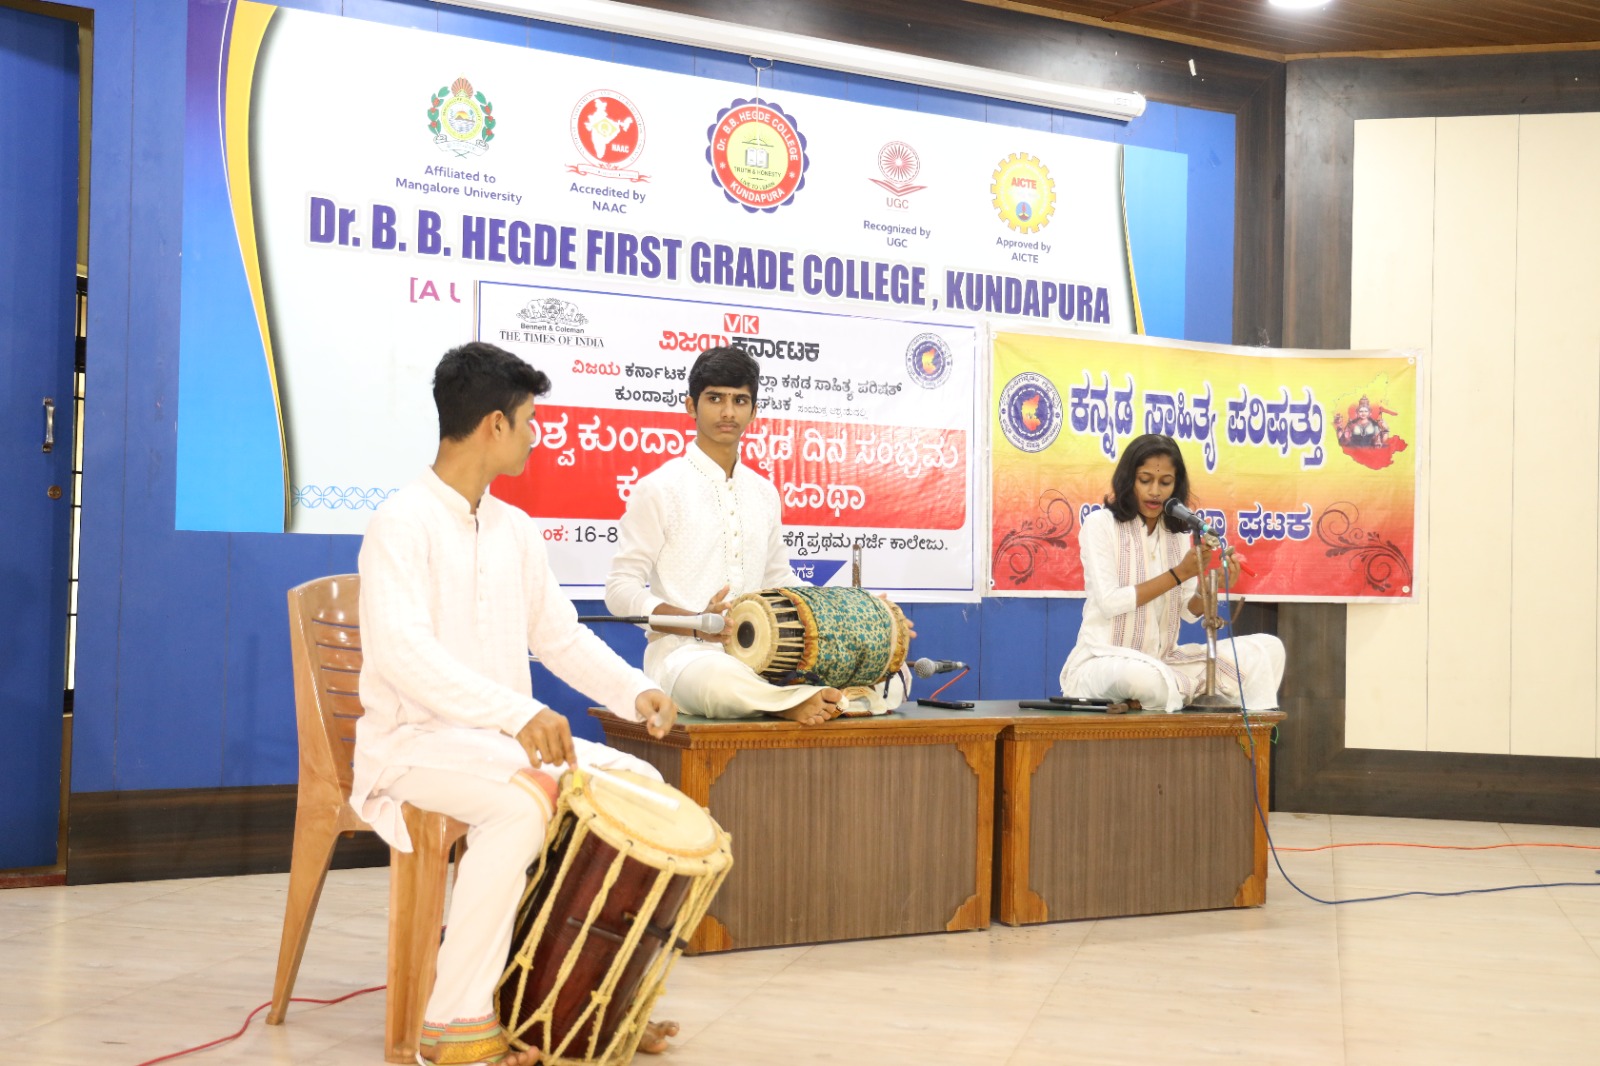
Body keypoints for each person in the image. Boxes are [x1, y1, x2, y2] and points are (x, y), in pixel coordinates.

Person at [351, 342, 679, 1066]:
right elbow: (403, 655)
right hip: (412, 745)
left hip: (496, 747)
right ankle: (455, 1026)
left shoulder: (514, 529)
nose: (537, 436)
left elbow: (559, 637)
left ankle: (584, 1005)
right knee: (521, 805)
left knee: (643, 788)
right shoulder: (401, 523)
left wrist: (635, 691)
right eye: (530, 420)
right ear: (495, 424)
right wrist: (516, 714)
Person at [605, 346, 911, 724]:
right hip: (686, 657)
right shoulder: (659, 488)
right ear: (691, 406)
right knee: (718, 682)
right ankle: (795, 701)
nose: (728, 412)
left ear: (754, 411)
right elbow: (620, 590)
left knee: (898, 677)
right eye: (715, 399)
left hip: (767, 657)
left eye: (739, 400)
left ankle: (793, 697)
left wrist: (863, 613)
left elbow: (780, 581)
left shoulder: (764, 492)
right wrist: (696, 622)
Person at [1059, 433, 1285, 712]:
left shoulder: (1176, 534)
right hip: (1105, 661)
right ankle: (1166, 693)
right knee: (1141, 678)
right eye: (1145, 480)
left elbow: (1188, 611)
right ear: (1128, 480)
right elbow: (1109, 602)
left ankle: (1159, 696)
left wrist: (1210, 588)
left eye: (1165, 482)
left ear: (1176, 486)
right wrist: (1178, 573)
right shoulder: (1100, 524)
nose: (1155, 491)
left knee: (1269, 649)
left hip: (1164, 661)